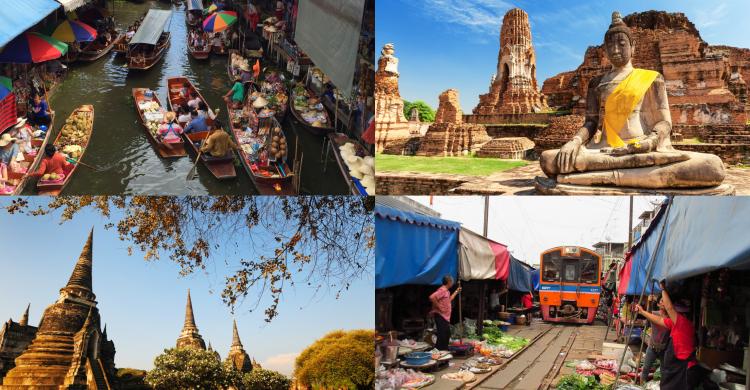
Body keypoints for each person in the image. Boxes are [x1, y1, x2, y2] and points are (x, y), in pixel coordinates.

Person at [635, 281, 701, 390]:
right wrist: (642, 312)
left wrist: (663, 289)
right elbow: (660, 320)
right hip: (675, 365)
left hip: (682, 365)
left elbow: (669, 308)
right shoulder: (675, 322)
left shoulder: (682, 322)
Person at [638, 295, 670, 384]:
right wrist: (649, 302)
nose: (663, 303)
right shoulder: (654, 314)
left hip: (664, 349)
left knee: (664, 372)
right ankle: (641, 386)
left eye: (665, 301)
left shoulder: (671, 317)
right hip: (652, 347)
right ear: (658, 304)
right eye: (661, 301)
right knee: (645, 370)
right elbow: (647, 314)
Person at [429, 275, 461, 351]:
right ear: (449, 282)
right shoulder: (443, 290)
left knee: (446, 334)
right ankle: (439, 352)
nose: (453, 283)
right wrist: (439, 307)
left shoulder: (447, 291)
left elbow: (449, 299)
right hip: (440, 316)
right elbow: (432, 297)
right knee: (442, 336)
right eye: (452, 281)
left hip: (445, 317)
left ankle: (443, 351)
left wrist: (457, 291)